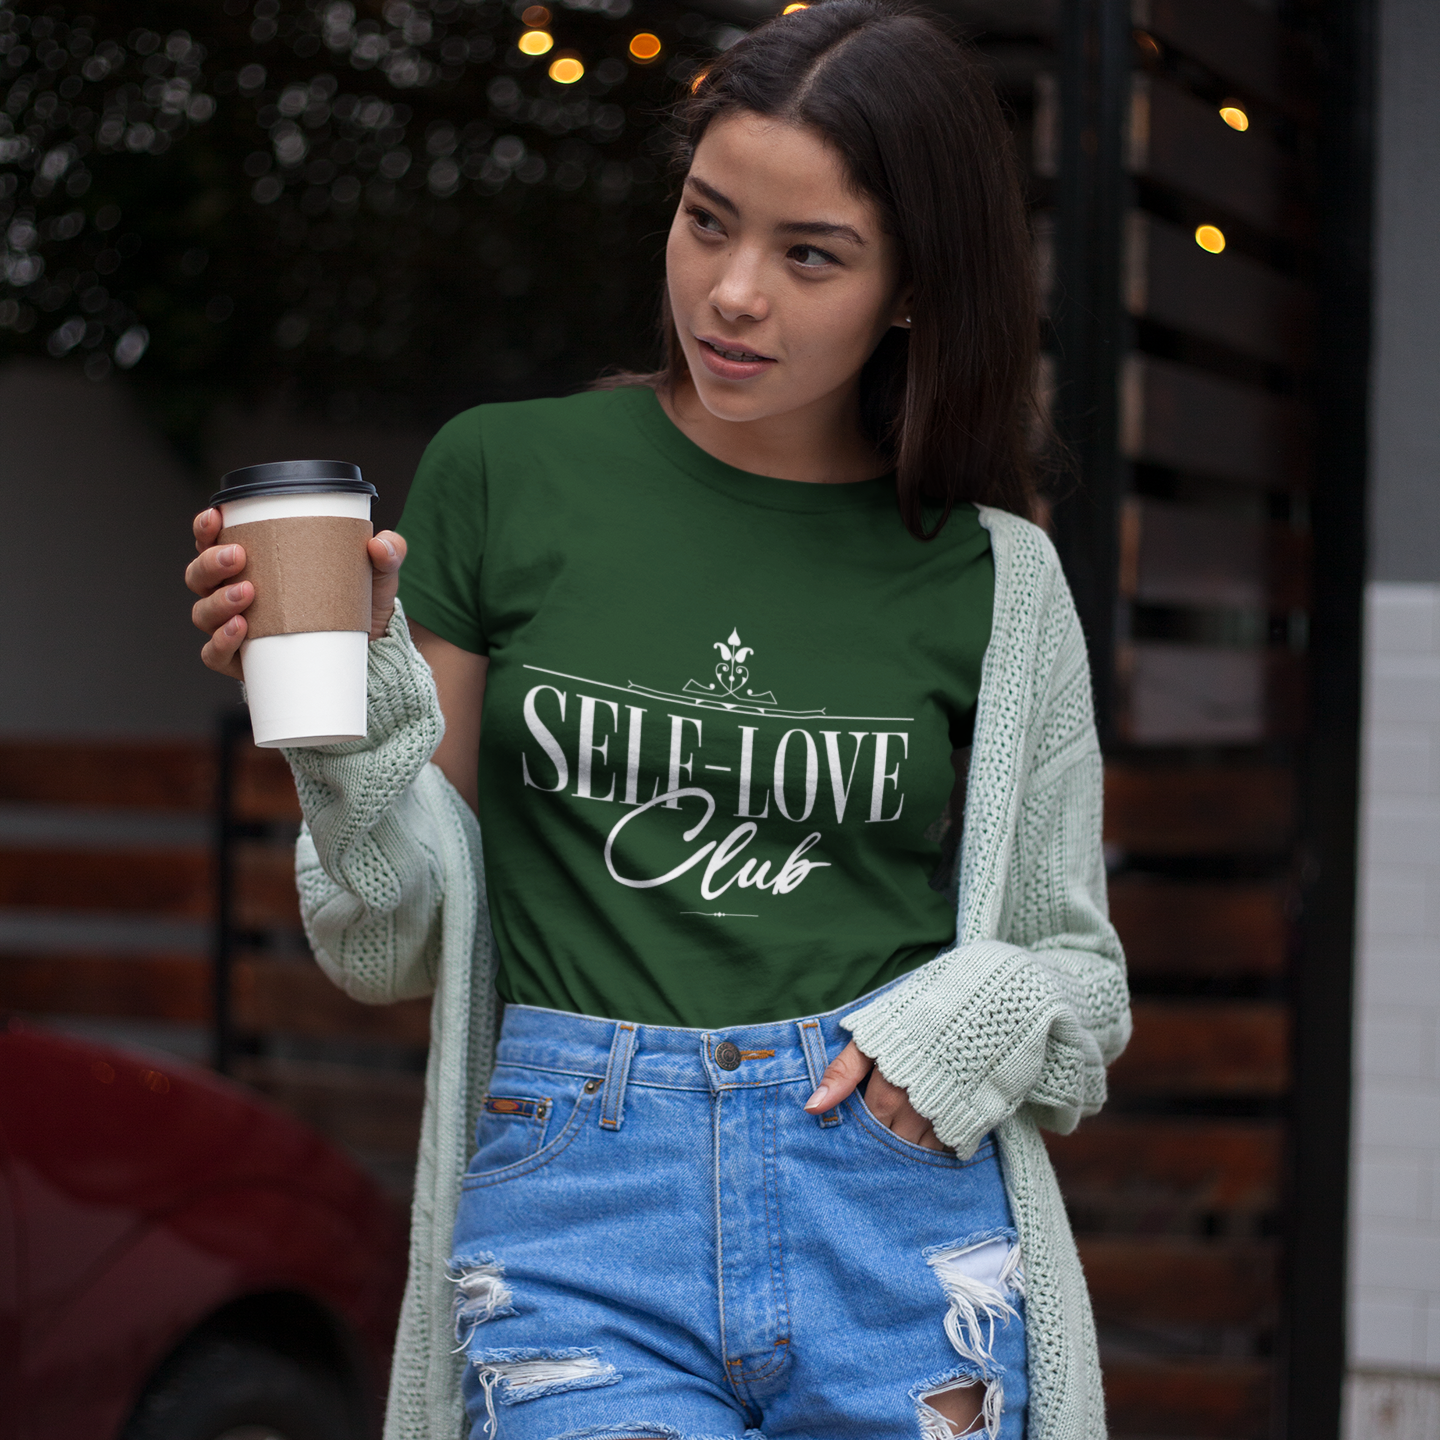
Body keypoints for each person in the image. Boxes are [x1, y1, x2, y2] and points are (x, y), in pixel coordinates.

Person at [187, 2, 1129, 1437]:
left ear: (915, 288)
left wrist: (966, 1018)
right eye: (707, 221)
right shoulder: (508, 475)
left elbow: (1080, 978)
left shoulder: (996, 577)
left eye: (808, 254)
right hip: (580, 1199)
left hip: (895, 1207)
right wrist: (344, 736)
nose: (733, 292)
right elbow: (386, 938)